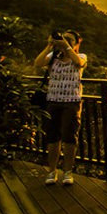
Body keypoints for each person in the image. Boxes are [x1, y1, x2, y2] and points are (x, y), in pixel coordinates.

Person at [33, 30, 87, 186]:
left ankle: (68, 172)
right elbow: (37, 63)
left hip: (72, 101)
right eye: (64, 38)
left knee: (70, 137)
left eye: (70, 39)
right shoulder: (53, 58)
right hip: (52, 100)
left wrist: (67, 47)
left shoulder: (81, 56)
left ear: (78, 43)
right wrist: (50, 45)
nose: (65, 41)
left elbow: (79, 63)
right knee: (52, 137)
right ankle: (52, 171)